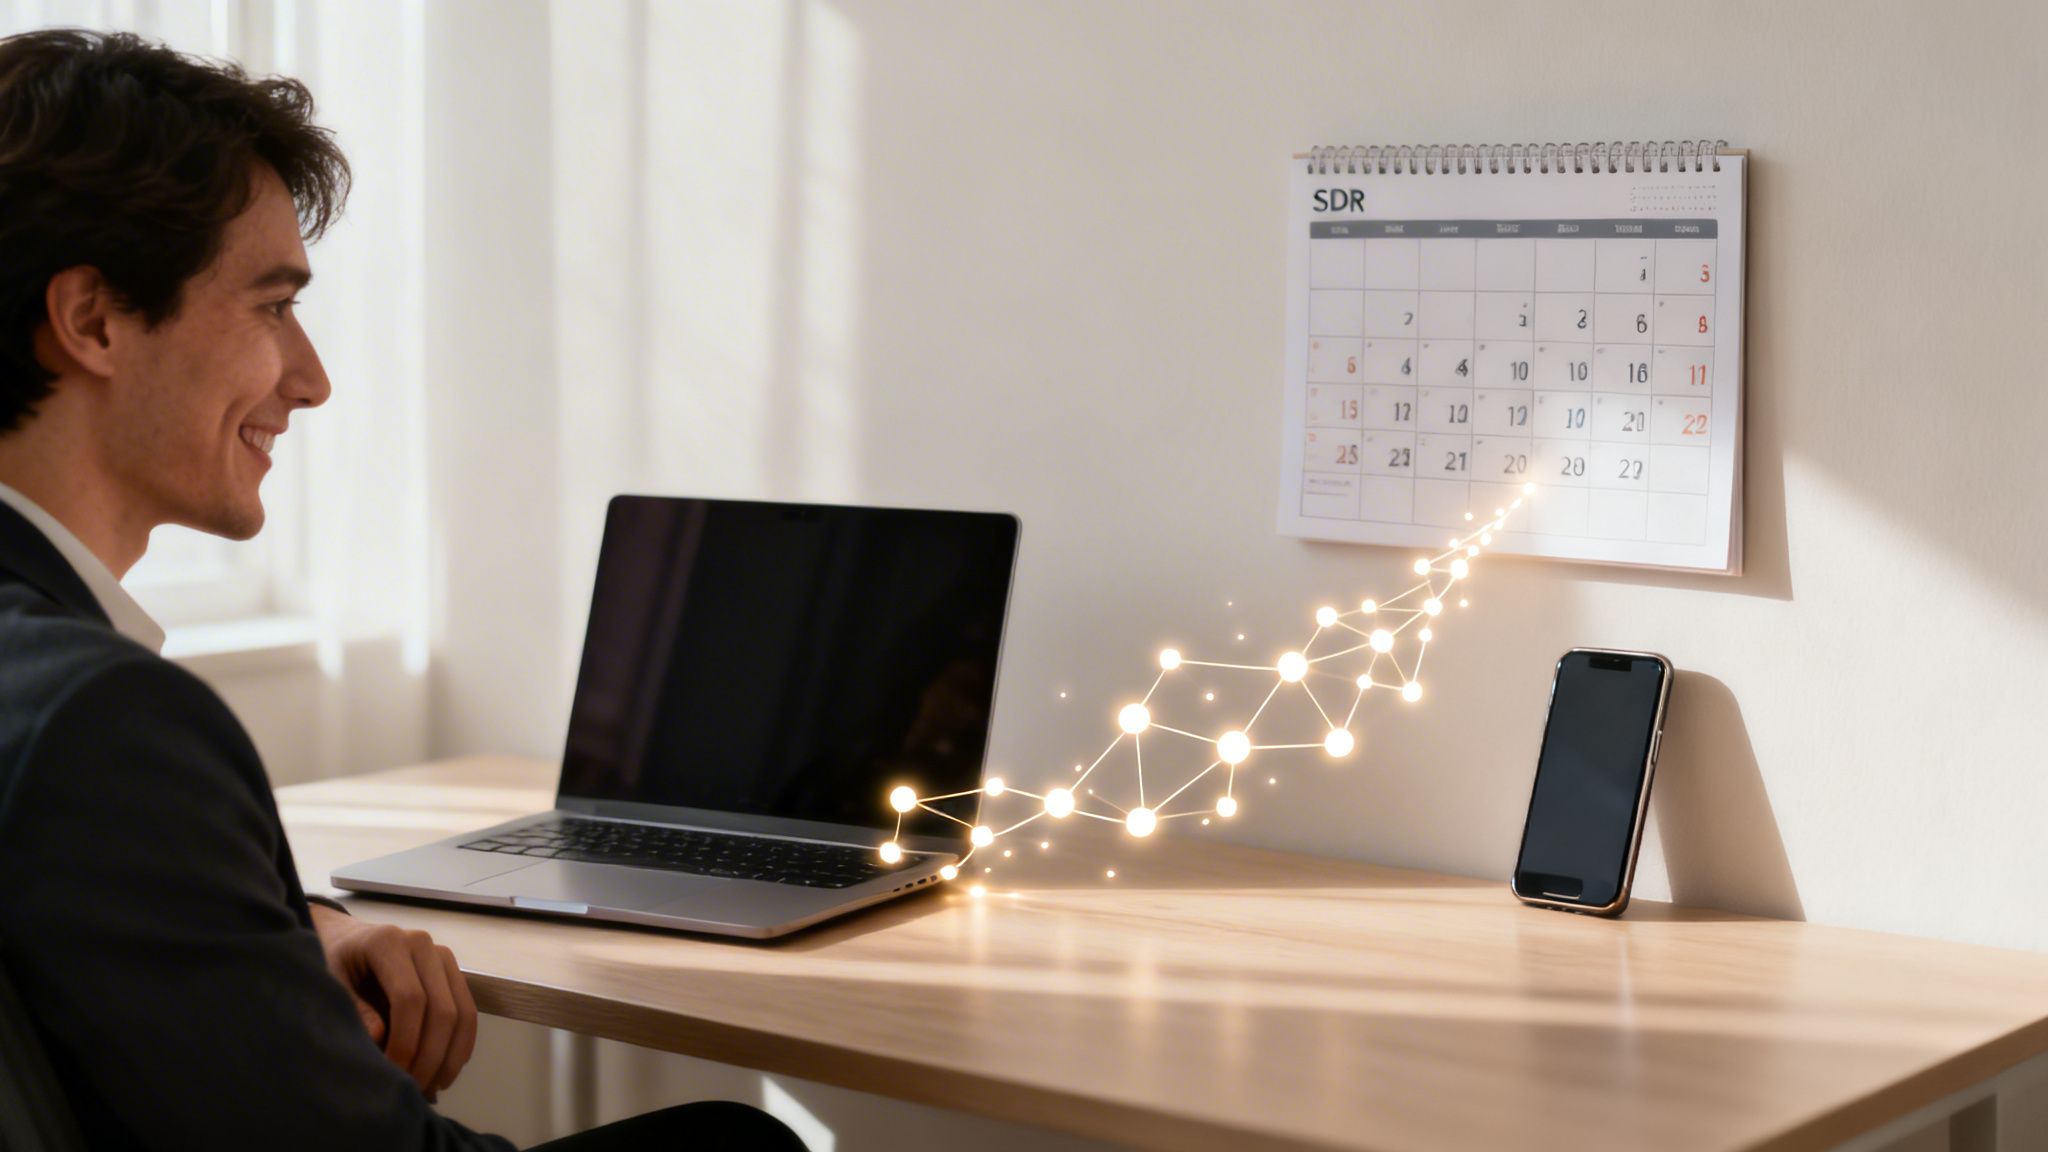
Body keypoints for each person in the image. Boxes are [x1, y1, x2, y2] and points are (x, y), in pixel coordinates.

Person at [0, 29, 802, 1151]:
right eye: (272, 305)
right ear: (92, 320)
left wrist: (297, 936)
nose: (313, 378)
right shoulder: (102, 721)